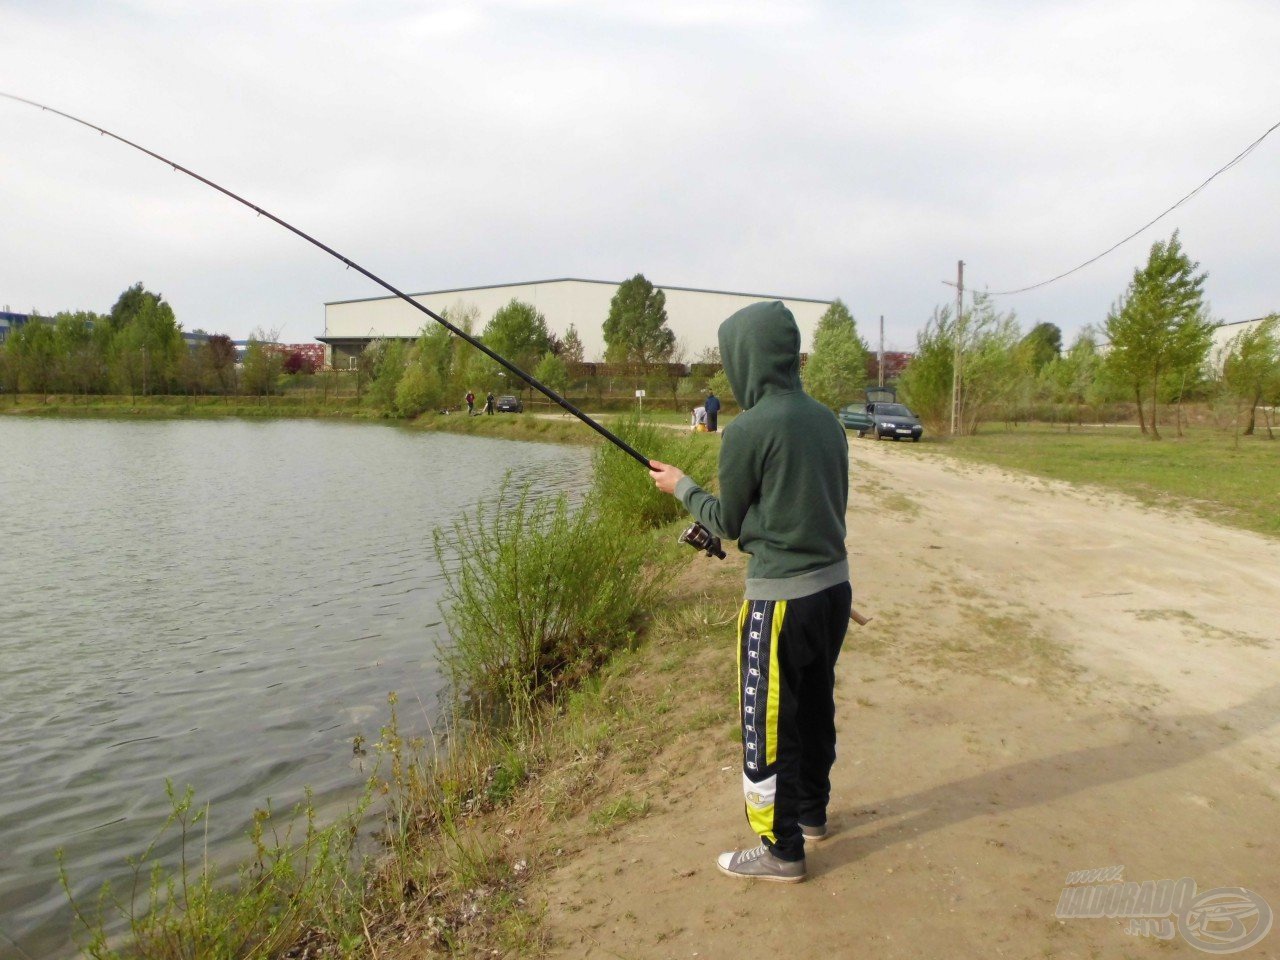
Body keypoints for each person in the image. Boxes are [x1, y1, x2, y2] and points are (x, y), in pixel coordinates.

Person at [649, 301, 850, 884]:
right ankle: (811, 816)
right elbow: (821, 507)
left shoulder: (747, 430)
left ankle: (780, 850)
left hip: (780, 604)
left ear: (745, 361)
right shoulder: (827, 422)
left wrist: (680, 486)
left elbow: (727, 523)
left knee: (765, 726)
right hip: (834, 593)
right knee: (814, 711)